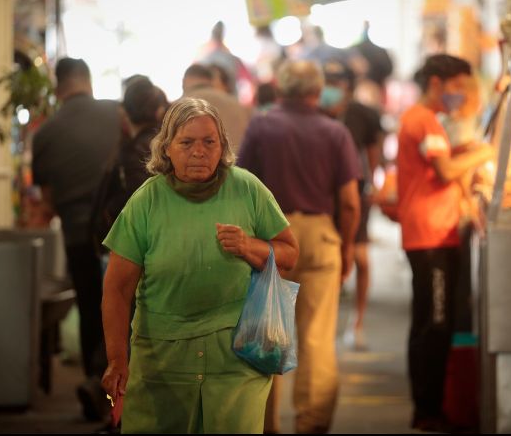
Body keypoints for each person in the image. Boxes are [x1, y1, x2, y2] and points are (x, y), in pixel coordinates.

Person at [100, 97, 299, 434]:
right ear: (167, 148)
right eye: (187, 142)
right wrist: (117, 359)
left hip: (237, 358)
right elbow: (117, 289)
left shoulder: (247, 189)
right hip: (163, 361)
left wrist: (250, 246)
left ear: (222, 146)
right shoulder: (147, 201)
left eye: (210, 142)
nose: (199, 151)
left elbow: (290, 255)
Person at [238, 60, 361, 434]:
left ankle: (267, 424)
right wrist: (348, 247)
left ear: (281, 88)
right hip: (321, 236)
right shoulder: (335, 132)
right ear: (317, 90)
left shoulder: (260, 125)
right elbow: (351, 201)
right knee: (318, 339)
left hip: (273, 238)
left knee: (268, 334)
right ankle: (312, 423)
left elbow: (243, 188)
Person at [397, 55, 493, 431]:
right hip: (430, 236)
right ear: (436, 83)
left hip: (433, 232)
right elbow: (445, 170)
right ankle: (428, 411)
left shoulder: (427, 120)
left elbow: (447, 161)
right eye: (457, 86)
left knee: (427, 321)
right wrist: (487, 151)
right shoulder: (424, 120)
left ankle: (427, 407)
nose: (461, 94)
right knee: (435, 323)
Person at [32, 57, 122, 421]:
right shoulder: (118, 114)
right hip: (120, 231)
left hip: (76, 231)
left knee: (91, 308)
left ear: (58, 87)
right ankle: (119, 395)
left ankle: (95, 383)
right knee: (125, 308)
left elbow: (47, 199)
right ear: (87, 80)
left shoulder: (46, 131)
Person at [319, 61, 384, 351]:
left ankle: (356, 322)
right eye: (327, 82)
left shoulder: (363, 114)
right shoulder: (315, 114)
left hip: (356, 192)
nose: (332, 88)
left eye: (338, 82)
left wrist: (372, 182)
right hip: (323, 195)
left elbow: (373, 150)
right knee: (330, 259)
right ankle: (327, 320)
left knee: (360, 257)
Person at [91, 76, 168, 254]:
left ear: (124, 111)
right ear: (159, 111)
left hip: (134, 249)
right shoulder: (168, 146)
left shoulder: (133, 151)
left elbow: (139, 203)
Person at [182, 63, 252, 155]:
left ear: (184, 81)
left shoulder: (179, 106)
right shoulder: (238, 105)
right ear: (211, 80)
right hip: (239, 163)